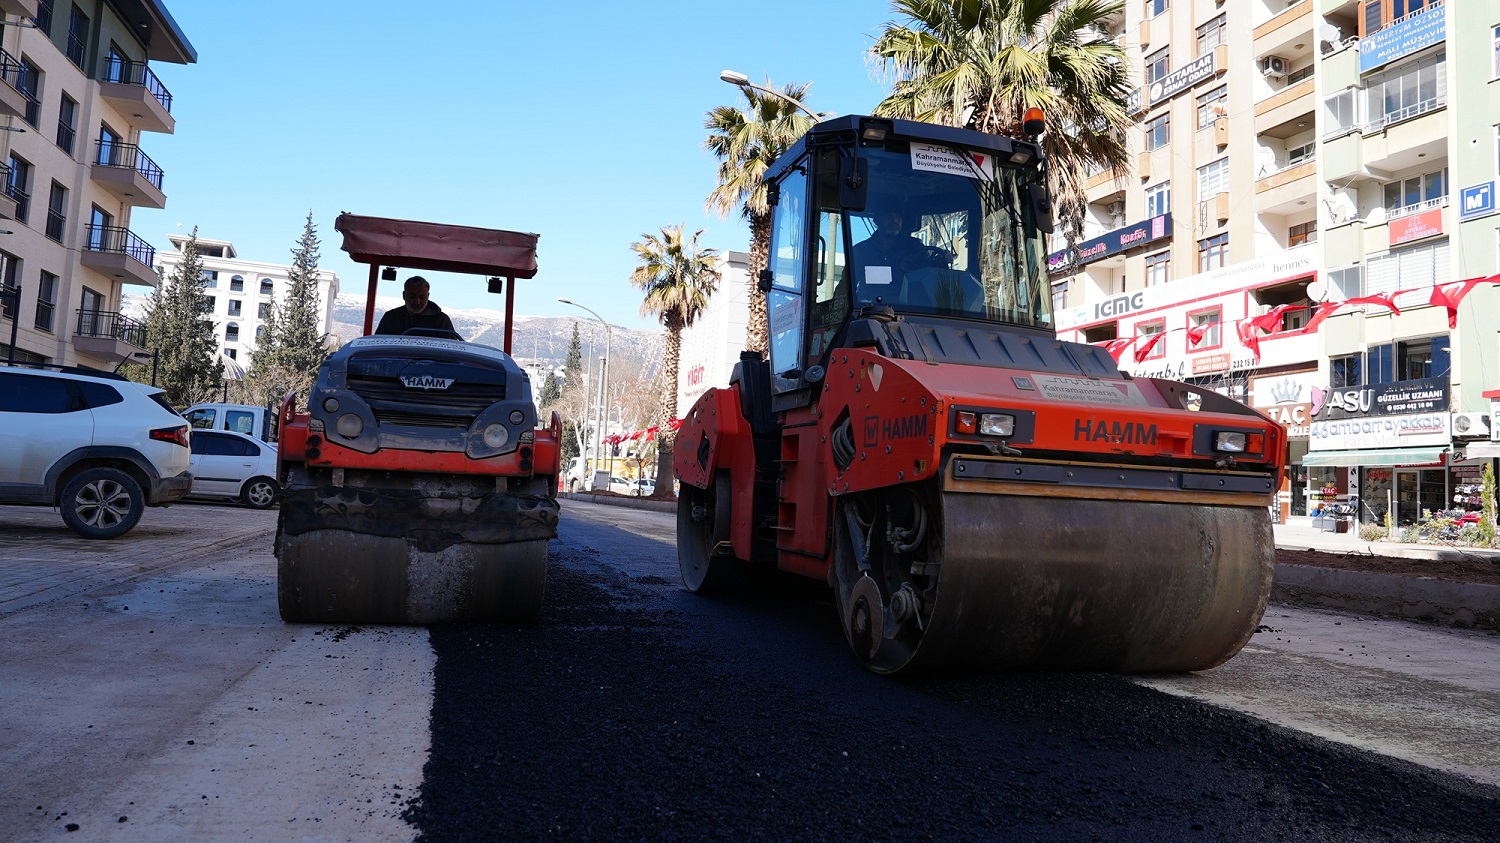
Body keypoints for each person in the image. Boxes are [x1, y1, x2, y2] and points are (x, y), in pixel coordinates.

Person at [375, 275, 457, 336]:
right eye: (412, 297)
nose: (417, 301)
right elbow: (377, 345)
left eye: (422, 297)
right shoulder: (390, 318)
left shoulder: (442, 321)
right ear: (404, 295)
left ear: (428, 296)